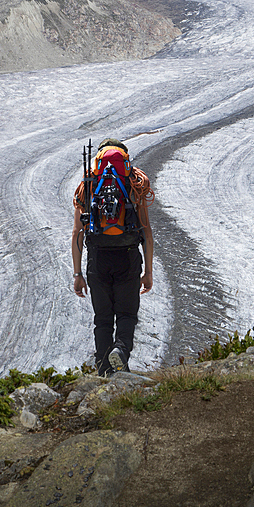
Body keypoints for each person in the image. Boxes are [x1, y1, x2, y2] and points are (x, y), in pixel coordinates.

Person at [71, 138, 154, 376]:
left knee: (103, 319)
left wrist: (78, 274)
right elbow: (146, 230)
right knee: (127, 314)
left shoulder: (88, 184)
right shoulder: (133, 183)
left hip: (98, 258)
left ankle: (104, 370)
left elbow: (77, 232)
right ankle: (121, 349)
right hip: (127, 257)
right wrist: (148, 272)